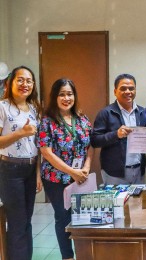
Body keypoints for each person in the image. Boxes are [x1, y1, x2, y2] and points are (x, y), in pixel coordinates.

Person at [37, 78, 94, 260]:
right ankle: (67, 256)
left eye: (69, 94)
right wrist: (72, 172)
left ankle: (83, 254)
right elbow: (46, 152)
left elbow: (90, 145)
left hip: (80, 177)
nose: (66, 98)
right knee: (63, 217)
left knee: (81, 217)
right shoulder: (47, 121)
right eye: (62, 94)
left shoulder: (82, 119)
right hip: (56, 178)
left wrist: (86, 166)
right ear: (55, 97)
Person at [0, 66, 42, 260]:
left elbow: (37, 144)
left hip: (30, 168)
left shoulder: (34, 108)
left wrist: (38, 174)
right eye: (21, 80)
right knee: (17, 222)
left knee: (27, 221)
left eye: (29, 81)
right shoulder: (2, 106)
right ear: (10, 83)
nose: (25, 84)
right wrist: (20, 133)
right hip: (10, 169)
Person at [91, 74, 146, 185]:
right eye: (123, 88)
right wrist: (116, 134)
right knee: (117, 202)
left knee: (137, 202)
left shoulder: (142, 112)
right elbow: (94, 140)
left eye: (131, 88)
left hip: (139, 170)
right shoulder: (106, 113)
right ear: (115, 91)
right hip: (114, 173)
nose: (128, 91)